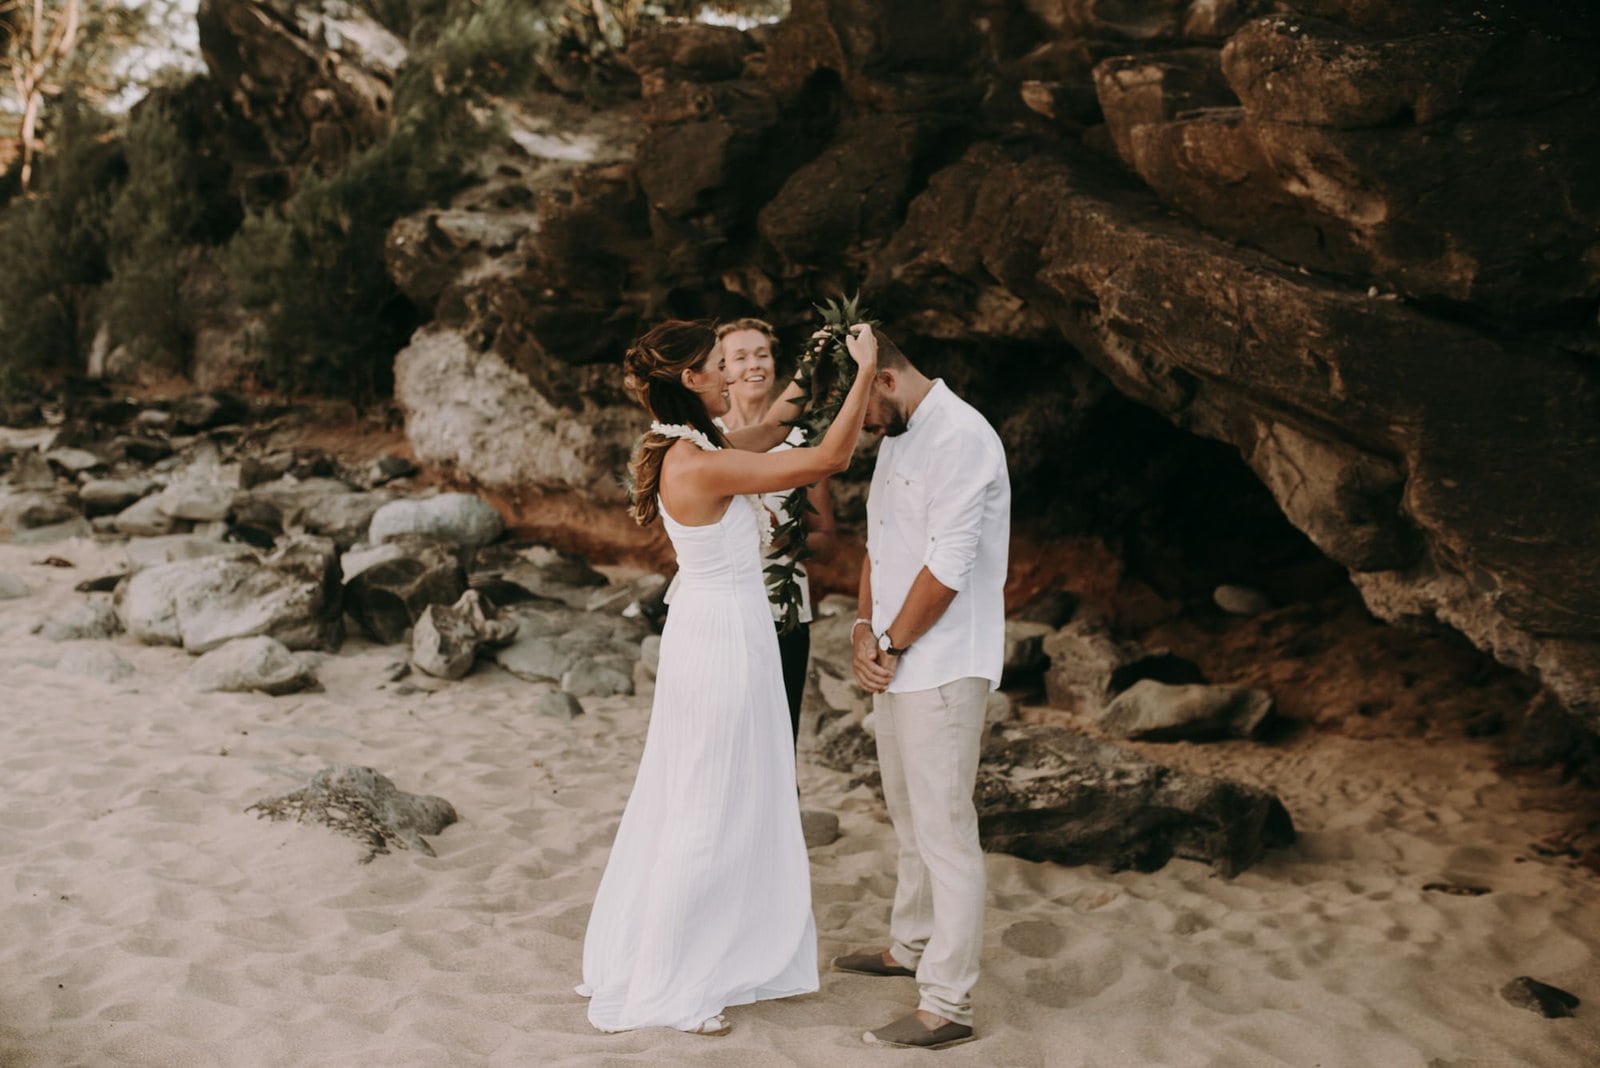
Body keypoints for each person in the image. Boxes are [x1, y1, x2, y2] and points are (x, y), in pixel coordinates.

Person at [578, 318, 880, 1038]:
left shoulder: (684, 444)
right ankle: (675, 985)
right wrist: (865, 369)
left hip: (717, 630)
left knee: (707, 795)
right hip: (721, 641)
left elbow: (776, 425)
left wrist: (816, 362)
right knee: (707, 807)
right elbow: (828, 459)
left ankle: (700, 955)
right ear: (690, 380)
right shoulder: (697, 463)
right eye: (718, 365)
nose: (730, 374)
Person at [833, 330, 1010, 1051]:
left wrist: (895, 643)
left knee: (946, 834)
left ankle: (947, 1002)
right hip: (896, 657)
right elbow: (880, 544)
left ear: (885, 378)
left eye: (861, 405)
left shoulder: (963, 437)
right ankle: (908, 945)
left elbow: (948, 567)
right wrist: (862, 630)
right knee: (906, 817)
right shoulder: (898, 434)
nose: (859, 423)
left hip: (941, 666)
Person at [715, 317, 839, 745]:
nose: (754, 365)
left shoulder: (801, 443)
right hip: (721, 611)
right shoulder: (703, 441)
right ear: (721, 371)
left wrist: (791, 537)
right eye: (740, 357)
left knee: (778, 734)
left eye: (762, 355)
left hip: (785, 613)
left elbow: (827, 544)